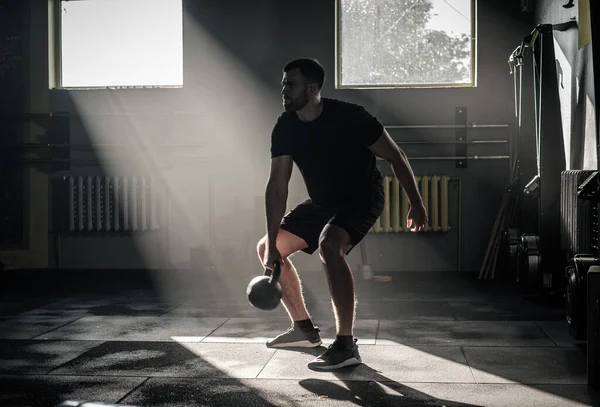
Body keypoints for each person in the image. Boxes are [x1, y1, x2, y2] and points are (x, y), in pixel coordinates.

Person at [256, 58, 428, 371]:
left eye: (290, 84)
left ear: (311, 88)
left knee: (329, 245)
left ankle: (346, 344)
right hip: (323, 201)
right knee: (268, 247)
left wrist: (415, 203)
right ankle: (304, 330)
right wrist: (271, 243)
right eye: (283, 84)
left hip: (362, 197)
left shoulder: (351, 116)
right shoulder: (286, 126)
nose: (283, 90)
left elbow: (395, 156)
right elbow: (277, 186)